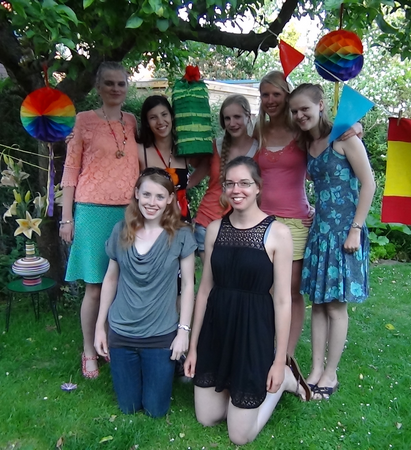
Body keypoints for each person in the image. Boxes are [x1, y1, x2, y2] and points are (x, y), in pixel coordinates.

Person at [185, 156, 311, 446]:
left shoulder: (278, 233)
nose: (236, 189)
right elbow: (204, 290)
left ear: (258, 187)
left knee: (239, 436)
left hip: (253, 331)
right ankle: (235, 387)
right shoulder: (215, 229)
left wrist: (278, 360)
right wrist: (193, 348)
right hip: (218, 330)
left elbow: (283, 301)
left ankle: (284, 381)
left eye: (244, 183)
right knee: (207, 417)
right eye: (230, 183)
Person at [254, 70, 362, 357]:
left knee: (292, 291)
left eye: (276, 94)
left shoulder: (300, 133)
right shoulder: (260, 131)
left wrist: (356, 126)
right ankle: (263, 349)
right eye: (265, 95)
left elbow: (330, 141)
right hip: (263, 221)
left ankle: (286, 356)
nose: (270, 100)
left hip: (297, 221)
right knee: (263, 288)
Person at [288, 83, 375, 400]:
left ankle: (331, 373)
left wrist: (356, 229)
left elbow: (369, 184)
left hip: (344, 233)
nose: (300, 115)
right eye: (295, 111)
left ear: (321, 105)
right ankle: (315, 370)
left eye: (305, 109)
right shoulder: (308, 144)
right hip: (320, 233)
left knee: (336, 306)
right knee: (319, 304)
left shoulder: (344, 137)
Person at [94, 167, 197, 417]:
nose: (152, 202)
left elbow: (188, 285)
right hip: (122, 332)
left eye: (160, 196)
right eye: (147, 194)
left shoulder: (181, 234)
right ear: (137, 194)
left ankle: (168, 369)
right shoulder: (121, 230)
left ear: (170, 199)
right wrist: (100, 326)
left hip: (160, 335)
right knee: (128, 407)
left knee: (156, 410)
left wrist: (183, 332)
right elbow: (110, 278)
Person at [60, 61, 139, 379]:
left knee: (121, 284)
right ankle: (89, 350)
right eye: (109, 83)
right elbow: (70, 169)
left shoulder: (131, 122)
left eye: (121, 83)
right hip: (92, 211)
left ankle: (109, 342)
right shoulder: (83, 120)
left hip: (128, 211)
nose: (115, 89)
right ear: (98, 87)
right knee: (95, 286)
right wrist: (66, 218)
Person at [190, 94, 259, 262]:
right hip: (207, 222)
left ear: (248, 116)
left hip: (243, 228)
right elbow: (193, 179)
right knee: (210, 277)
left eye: (237, 117)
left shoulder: (259, 149)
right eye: (227, 118)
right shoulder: (216, 146)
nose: (232, 123)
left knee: (237, 277)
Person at [137, 95, 192, 223]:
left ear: (172, 116)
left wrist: (188, 184)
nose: (160, 121)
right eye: (153, 117)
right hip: (150, 223)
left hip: (181, 222)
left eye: (164, 114)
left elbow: (207, 163)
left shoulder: (184, 149)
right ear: (147, 123)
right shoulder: (139, 150)